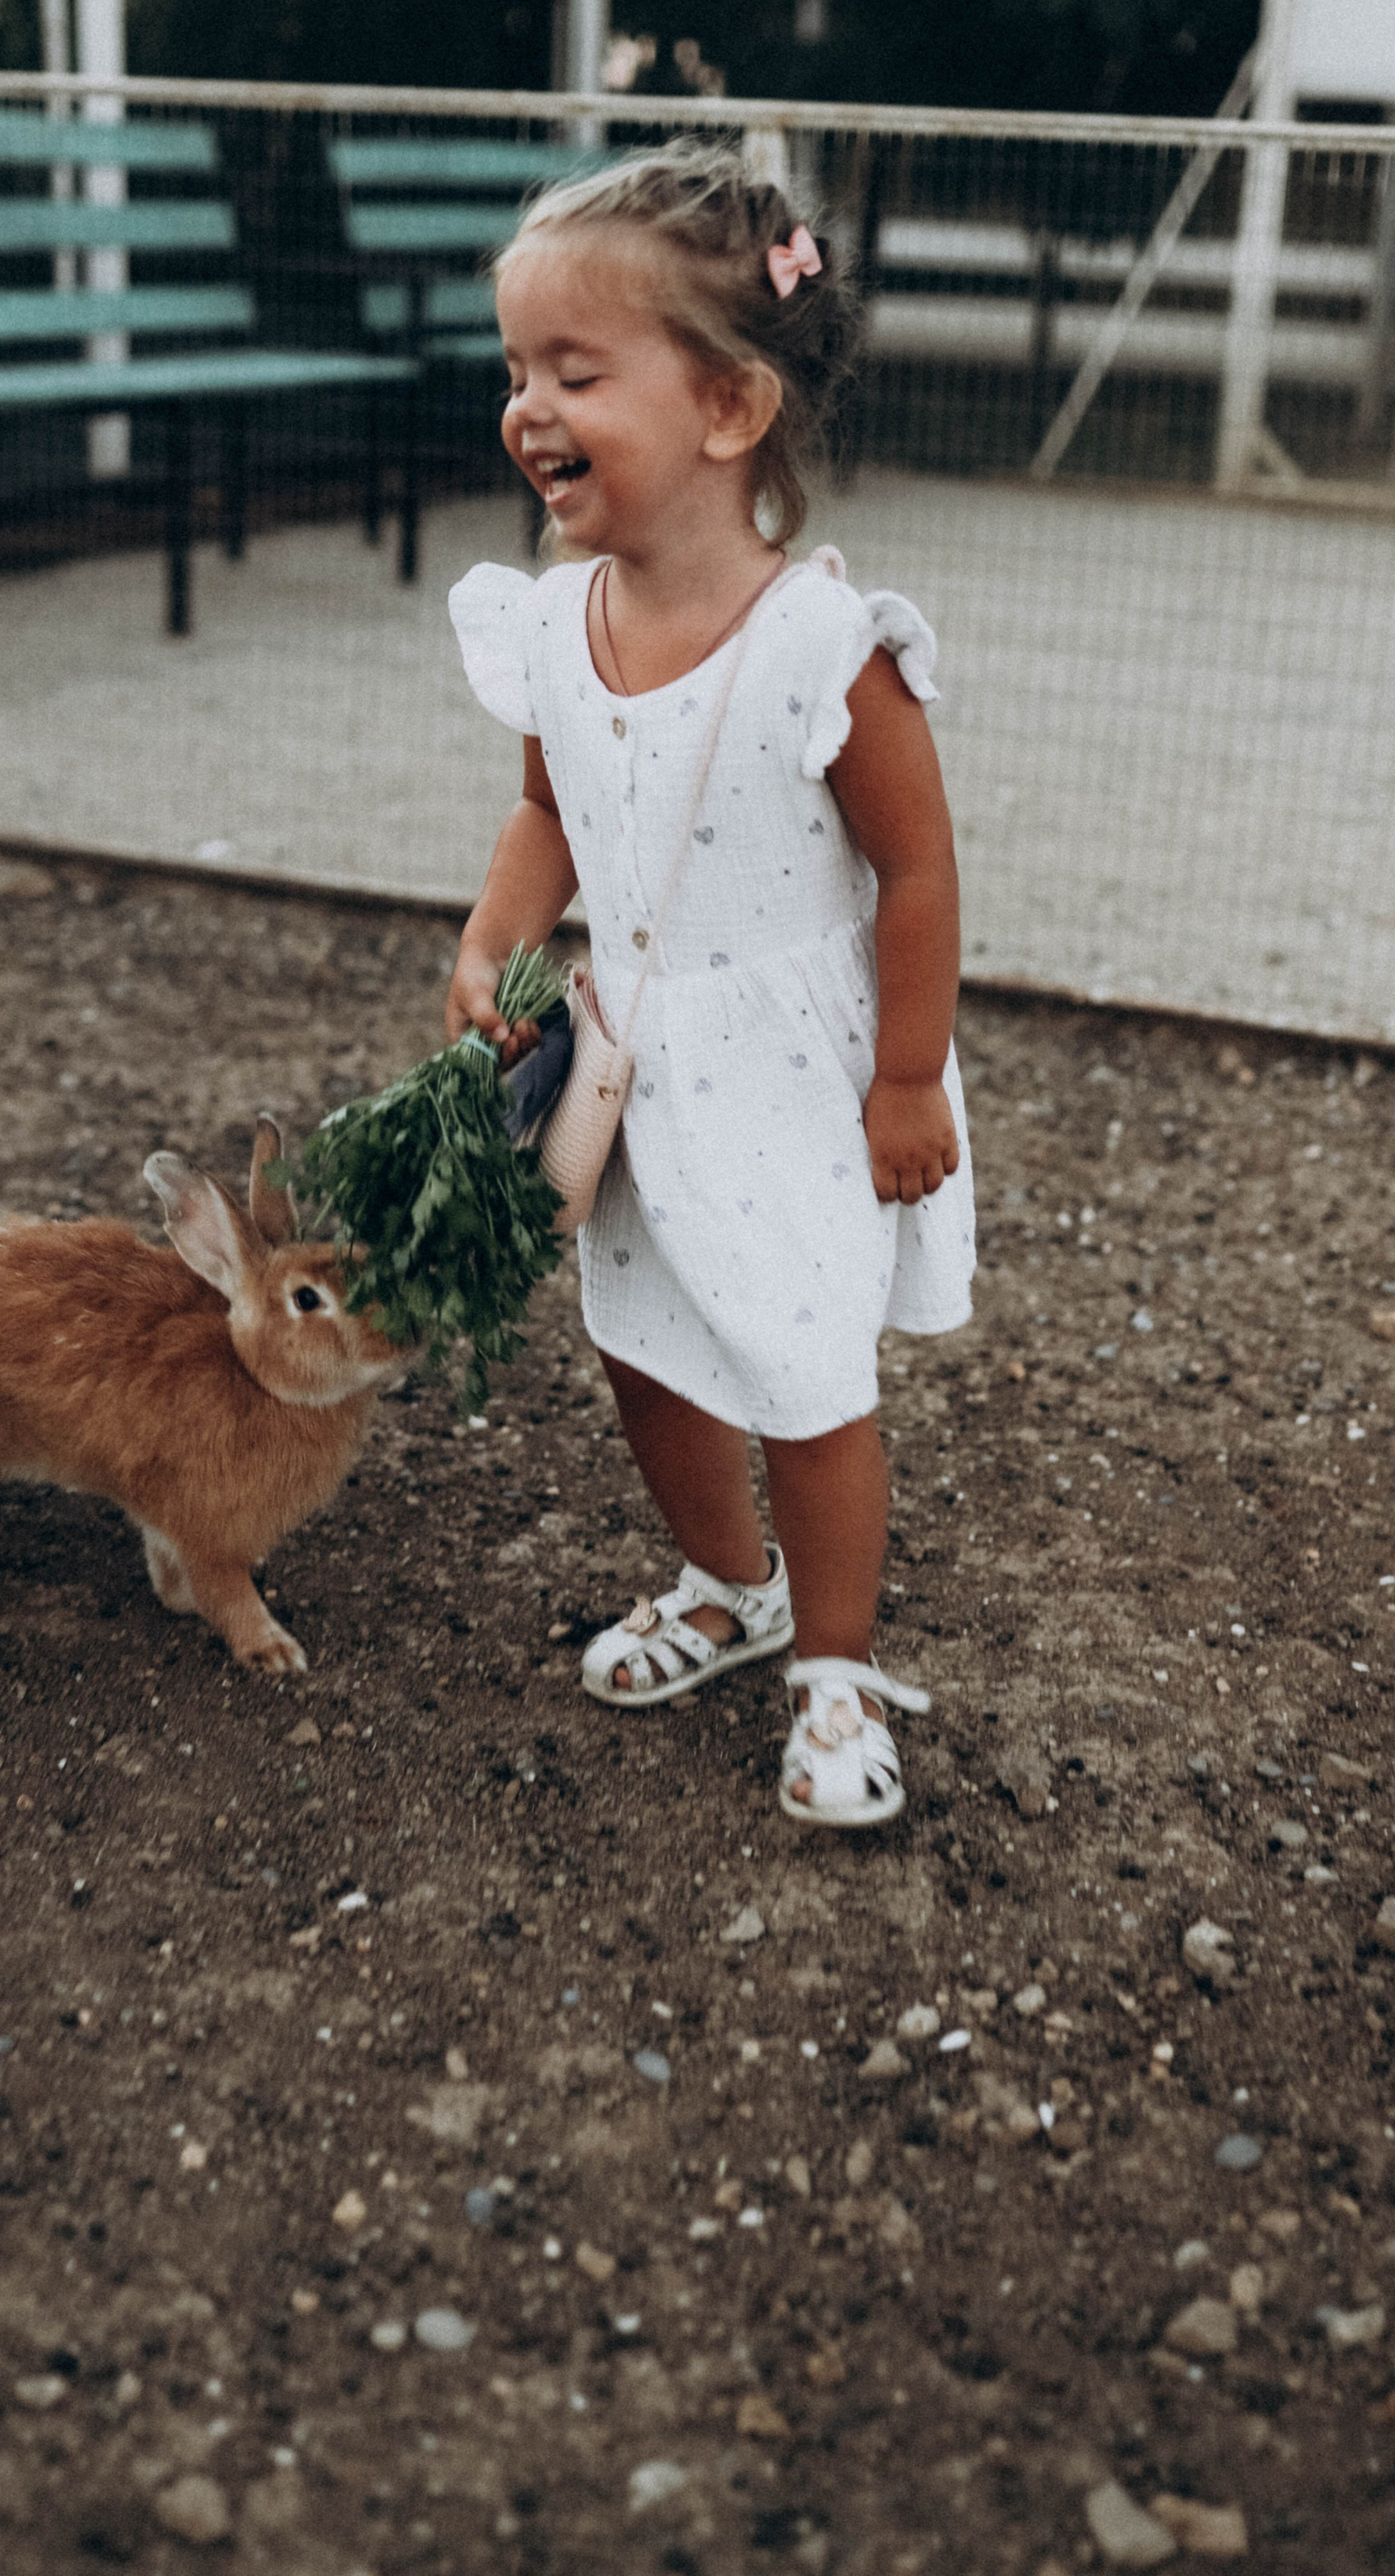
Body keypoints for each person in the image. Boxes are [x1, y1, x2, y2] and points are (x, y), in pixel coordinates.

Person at [446, 143, 974, 1828]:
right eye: (516, 369)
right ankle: (722, 1584)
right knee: (650, 1350)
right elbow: (549, 813)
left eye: (574, 371)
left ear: (729, 407)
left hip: (797, 1079)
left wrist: (905, 1078)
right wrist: (493, 940)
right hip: (634, 1064)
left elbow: (917, 872)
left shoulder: (826, 649)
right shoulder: (552, 627)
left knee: (807, 1370)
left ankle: (831, 1659)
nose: (527, 408)